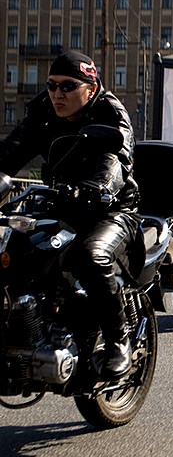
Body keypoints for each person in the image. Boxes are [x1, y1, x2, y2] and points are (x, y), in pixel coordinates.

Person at [0, 51, 140, 379]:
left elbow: (116, 157)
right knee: (17, 250)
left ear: (90, 88)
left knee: (89, 256)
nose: (57, 93)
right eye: (52, 85)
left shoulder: (109, 112)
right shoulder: (43, 111)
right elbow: (10, 152)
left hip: (111, 207)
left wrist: (98, 185)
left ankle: (119, 341)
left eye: (67, 86)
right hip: (59, 202)